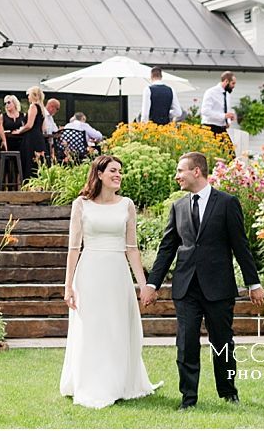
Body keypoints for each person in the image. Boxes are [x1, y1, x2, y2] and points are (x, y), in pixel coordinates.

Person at [142, 152, 264, 410]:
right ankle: (188, 399)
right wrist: (152, 284)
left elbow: (240, 246)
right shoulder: (178, 207)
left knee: (222, 343)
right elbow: (167, 248)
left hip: (218, 287)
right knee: (185, 344)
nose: (177, 176)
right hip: (186, 288)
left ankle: (228, 392)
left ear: (196, 171)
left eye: (180, 171)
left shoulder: (227, 203)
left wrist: (253, 284)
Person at [60, 155, 160, 408]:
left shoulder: (127, 205)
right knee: (92, 328)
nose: (118, 175)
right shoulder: (81, 204)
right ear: (99, 174)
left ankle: (118, 382)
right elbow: (74, 248)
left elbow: (132, 249)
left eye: (120, 171)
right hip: (89, 272)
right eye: (113, 170)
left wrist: (144, 285)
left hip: (117, 274)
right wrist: (68, 286)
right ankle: (91, 383)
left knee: (116, 327)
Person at [22, 86, 49, 178]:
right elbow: (44, 128)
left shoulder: (33, 106)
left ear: (34, 96)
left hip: (31, 138)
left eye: (29, 95)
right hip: (39, 138)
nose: (28, 97)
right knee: (38, 164)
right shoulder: (42, 108)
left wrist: (19, 131)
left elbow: (29, 125)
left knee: (29, 163)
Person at [200, 71, 237, 136]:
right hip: (209, 127)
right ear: (226, 81)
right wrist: (224, 116)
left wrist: (228, 120)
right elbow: (205, 111)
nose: (234, 86)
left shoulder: (227, 94)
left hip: (222, 128)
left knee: (229, 143)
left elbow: (226, 112)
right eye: (233, 83)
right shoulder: (211, 92)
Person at [1, 94, 28, 166]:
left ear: (15, 103)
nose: (7, 105)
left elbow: (26, 127)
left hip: (21, 143)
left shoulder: (23, 115)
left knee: (21, 164)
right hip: (8, 142)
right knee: (6, 165)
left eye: (9, 102)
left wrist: (20, 130)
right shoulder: (3, 116)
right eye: (5, 103)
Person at [43, 98, 62, 162]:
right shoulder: (43, 114)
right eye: (57, 109)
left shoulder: (50, 117)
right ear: (52, 107)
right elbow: (45, 130)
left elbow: (55, 130)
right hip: (43, 141)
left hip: (49, 143)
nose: (57, 111)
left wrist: (60, 130)